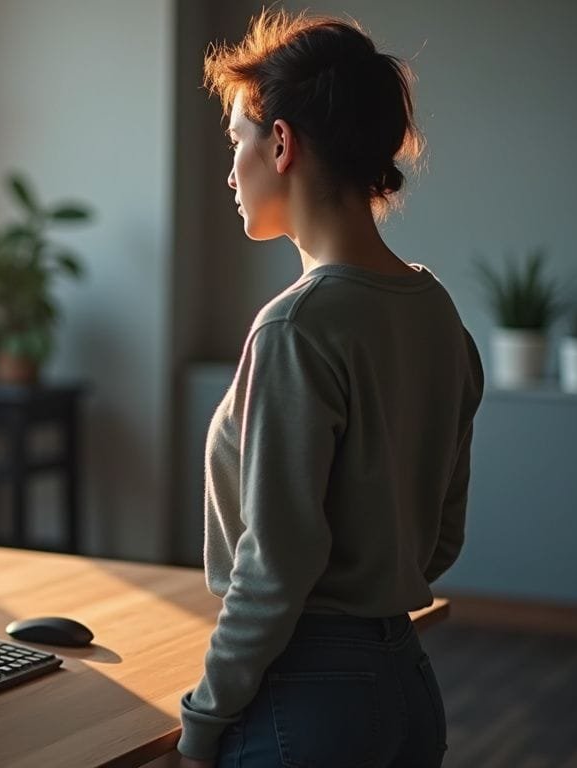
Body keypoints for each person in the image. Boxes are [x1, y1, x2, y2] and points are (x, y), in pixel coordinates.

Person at [173, 9, 484, 768]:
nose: (229, 170)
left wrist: (202, 721)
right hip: (408, 686)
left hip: (307, 701)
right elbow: (440, 539)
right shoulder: (436, 311)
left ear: (282, 145)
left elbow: (273, 570)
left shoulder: (296, 327)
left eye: (236, 141)